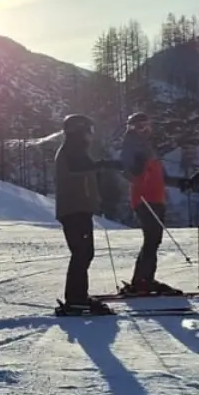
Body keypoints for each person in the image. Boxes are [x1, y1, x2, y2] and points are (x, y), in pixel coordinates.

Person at [116, 112, 199, 296]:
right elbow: (127, 173)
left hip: (156, 199)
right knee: (152, 239)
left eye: (148, 126)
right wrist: (137, 169)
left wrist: (185, 183)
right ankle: (142, 281)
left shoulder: (147, 147)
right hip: (144, 199)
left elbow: (161, 178)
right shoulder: (131, 146)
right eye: (141, 126)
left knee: (153, 240)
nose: (146, 130)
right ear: (132, 128)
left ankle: (144, 279)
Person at [54, 114, 123, 316]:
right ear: (79, 131)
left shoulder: (76, 150)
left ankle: (78, 297)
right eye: (89, 130)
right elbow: (78, 169)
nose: (91, 136)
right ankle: (75, 299)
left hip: (78, 208)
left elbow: (84, 171)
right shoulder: (72, 149)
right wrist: (104, 164)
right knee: (82, 253)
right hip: (74, 209)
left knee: (84, 253)